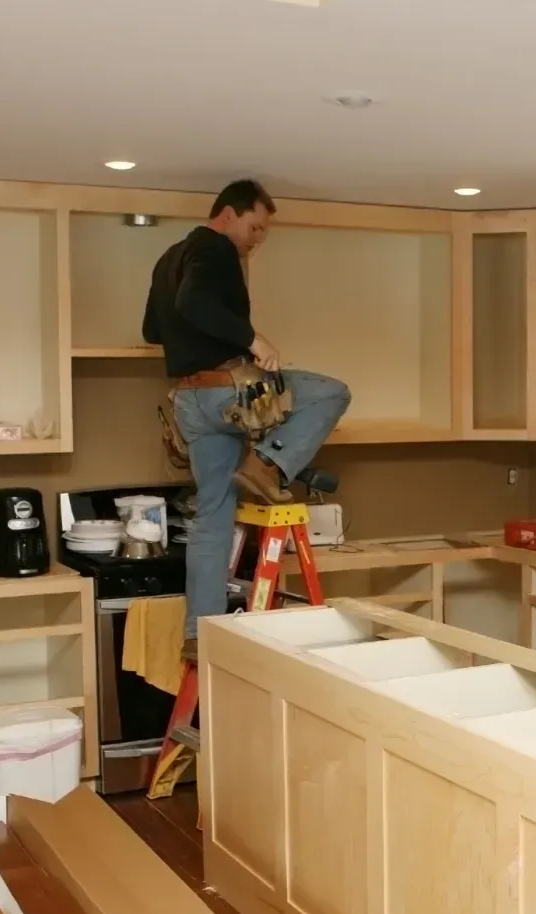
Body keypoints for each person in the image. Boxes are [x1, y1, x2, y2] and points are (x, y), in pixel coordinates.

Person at [143, 179, 351, 657]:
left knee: (212, 518)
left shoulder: (168, 259)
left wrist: (193, 338)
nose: (257, 238)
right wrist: (252, 340)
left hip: (190, 404)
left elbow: (153, 328)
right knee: (332, 393)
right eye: (255, 227)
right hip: (228, 393)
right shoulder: (214, 249)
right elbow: (193, 303)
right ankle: (268, 464)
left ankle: (199, 633)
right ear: (228, 214)